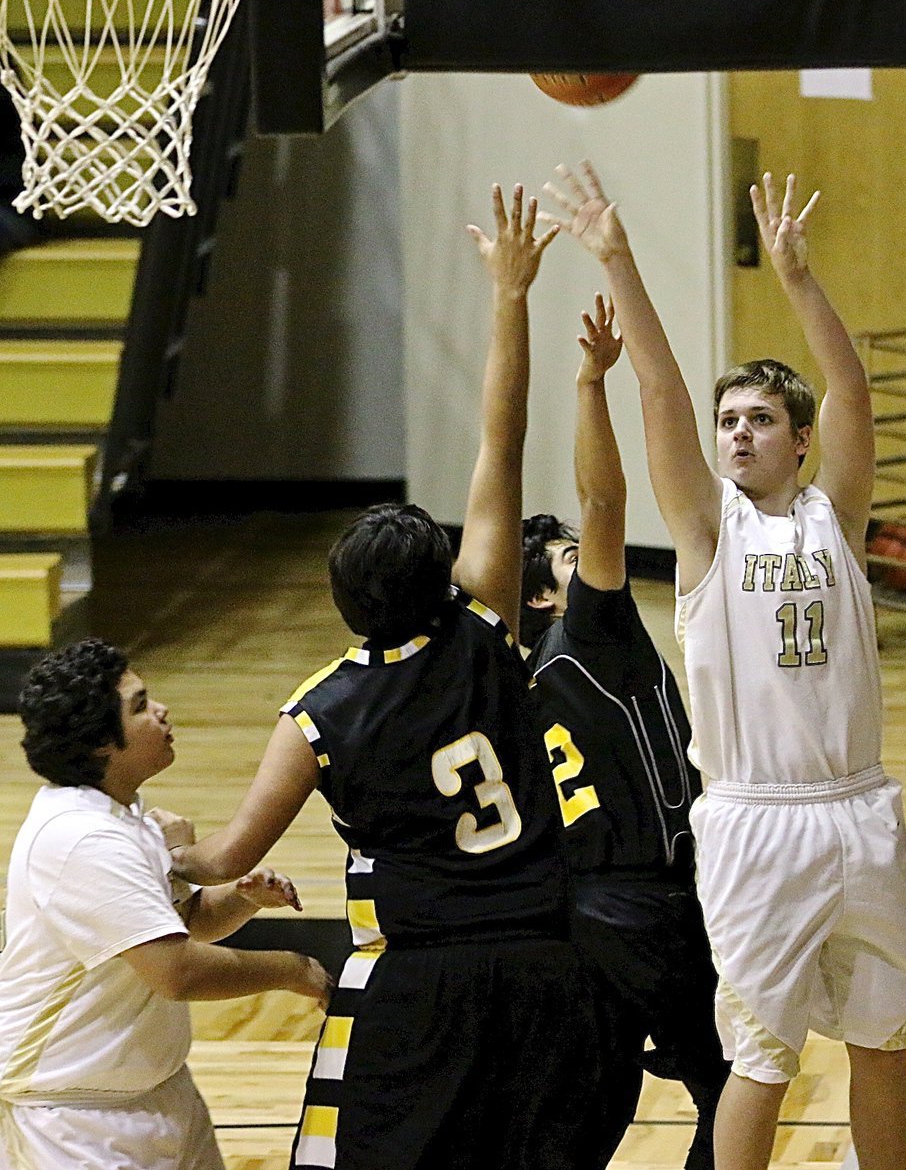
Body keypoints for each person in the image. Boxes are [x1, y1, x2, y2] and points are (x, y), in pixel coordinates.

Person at [167, 185, 602, 1170]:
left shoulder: (318, 713)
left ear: (343, 601)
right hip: (546, 955)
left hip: (420, 981)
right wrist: (509, 293)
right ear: (444, 580)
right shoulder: (485, 625)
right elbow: (502, 439)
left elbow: (228, 854)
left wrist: (147, 841)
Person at [542, 162, 906, 1170]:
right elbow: (659, 389)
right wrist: (617, 259)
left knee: (882, 1039)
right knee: (759, 1056)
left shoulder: (834, 519)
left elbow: (848, 387)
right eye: (729, 420)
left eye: (759, 418)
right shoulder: (704, 534)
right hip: (754, 819)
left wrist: (798, 280)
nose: (736, 430)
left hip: (857, 808)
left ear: (798, 442)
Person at [521, 291, 729, 1170]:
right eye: (569, 559)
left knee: (590, 1104)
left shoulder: (516, 675)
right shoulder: (588, 635)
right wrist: (587, 385)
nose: (593, 558)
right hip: (645, 900)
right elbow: (604, 500)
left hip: (582, 907)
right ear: (542, 595)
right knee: (728, 1085)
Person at [0, 637, 330, 1170]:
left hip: (159, 1089)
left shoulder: (126, 815)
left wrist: (240, 901)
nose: (161, 710)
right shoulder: (84, 840)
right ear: (101, 745)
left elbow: (183, 926)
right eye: (139, 706)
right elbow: (176, 971)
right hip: (73, 1118)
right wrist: (293, 969)